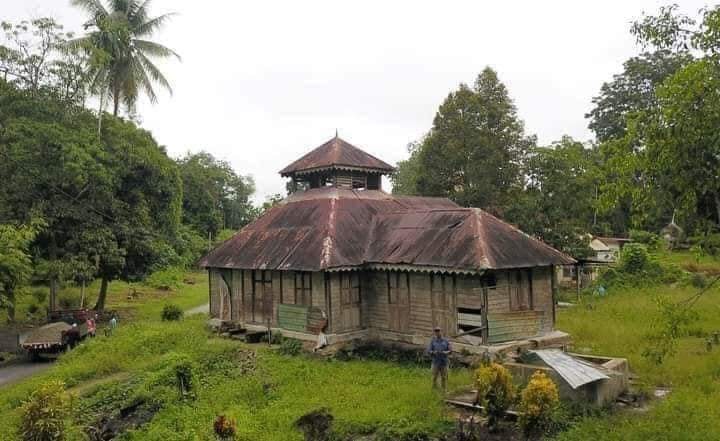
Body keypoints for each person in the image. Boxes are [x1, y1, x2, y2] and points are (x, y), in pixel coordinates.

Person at [427, 326, 451, 391]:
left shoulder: (446, 340)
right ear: (435, 332)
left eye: (438, 331)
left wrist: (445, 352)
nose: (437, 332)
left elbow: (450, 350)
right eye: (436, 331)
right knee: (434, 377)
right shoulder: (433, 341)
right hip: (435, 362)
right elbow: (429, 350)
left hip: (444, 362)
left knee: (444, 377)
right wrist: (433, 352)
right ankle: (434, 389)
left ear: (441, 332)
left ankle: (444, 390)